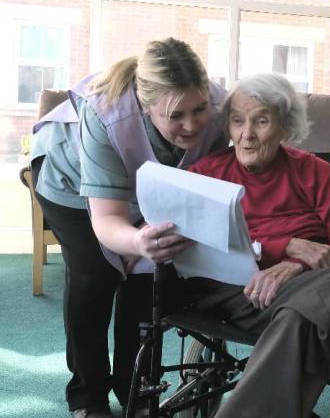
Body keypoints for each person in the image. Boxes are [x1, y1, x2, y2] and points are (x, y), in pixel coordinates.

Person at [30, 37, 227, 418]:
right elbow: (106, 221)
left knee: (148, 274)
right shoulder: (107, 112)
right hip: (67, 179)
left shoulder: (219, 107)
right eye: (176, 116)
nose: (192, 125)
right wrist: (137, 239)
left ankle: (134, 388)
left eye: (199, 109)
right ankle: (87, 395)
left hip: (146, 184)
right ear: (145, 107)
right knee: (96, 274)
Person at [182, 73, 330, 418]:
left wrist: (295, 267)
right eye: (237, 121)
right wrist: (283, 246)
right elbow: (198, 247)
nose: (246, 135)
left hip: (309, 285)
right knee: (314, 315)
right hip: (235, 291)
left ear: (285, 127)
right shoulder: (207, 174)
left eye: (261, 121)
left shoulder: (315, 172)